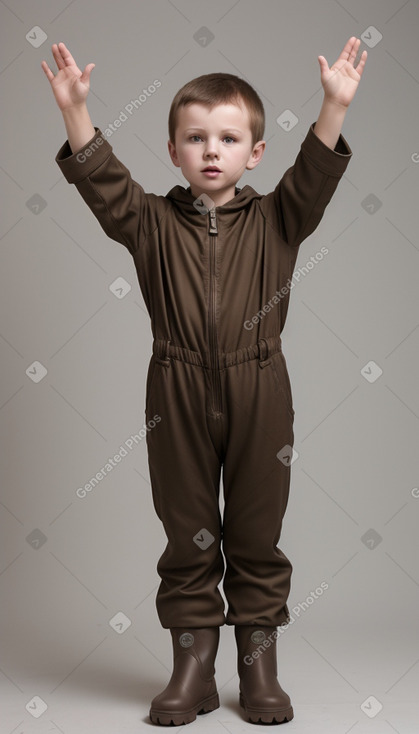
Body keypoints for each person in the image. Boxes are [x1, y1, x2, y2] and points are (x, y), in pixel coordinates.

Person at [41, 37, 367, 726]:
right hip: (176, 388)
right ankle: (191, 669)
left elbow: (313, 174)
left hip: (259, 387)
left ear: (254, 152)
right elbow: (103, 184)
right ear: (174, 151)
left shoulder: (279, 220)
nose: (210, 150)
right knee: (186, 531)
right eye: (195, 138)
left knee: (254, 530)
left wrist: (332, 106)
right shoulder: (149, 223)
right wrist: (76, 114)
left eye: (227, 138)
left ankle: (258, 669)